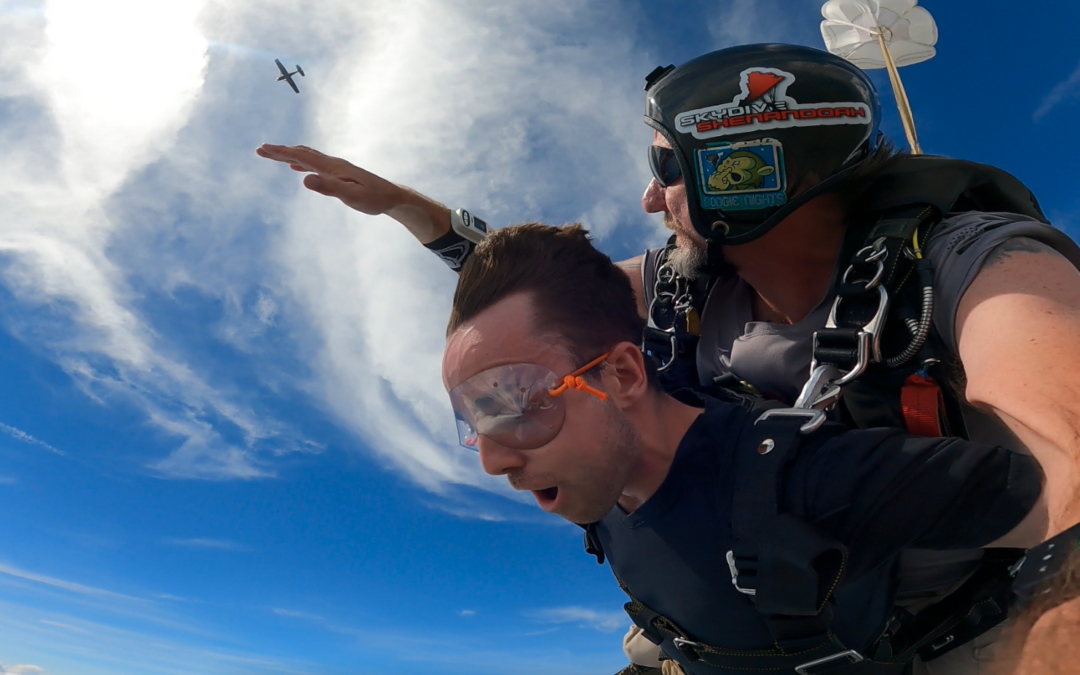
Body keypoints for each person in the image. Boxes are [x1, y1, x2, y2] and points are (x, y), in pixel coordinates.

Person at [258, 43, 1080, 672]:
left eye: (665, 168)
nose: (649, 199)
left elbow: (1069, 459)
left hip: (932, 645)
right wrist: (416, 212)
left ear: (751, 166)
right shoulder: (683, 283)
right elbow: (548, 297)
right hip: (705, 634)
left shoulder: (977, 263)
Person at [441, 222, 1048, 675]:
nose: (493, 460)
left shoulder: (805, 481)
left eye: (517, 402)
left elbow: (1064, 500)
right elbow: (558, 291)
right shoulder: (601, 473)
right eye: (474, 417)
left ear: (622, 377)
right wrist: (409, 212)